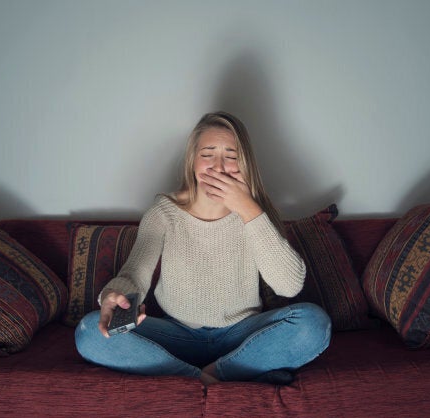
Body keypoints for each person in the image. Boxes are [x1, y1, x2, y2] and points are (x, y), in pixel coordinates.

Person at [75, 111, 331, 386]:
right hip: (177, 334)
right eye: (208, 153)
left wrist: (247, 209)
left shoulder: (254, 214)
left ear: (244, 165)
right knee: (89, 331)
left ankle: (210, 375)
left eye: (231, 156)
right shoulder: (164, 212)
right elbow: (136, 272)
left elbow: (289, 286)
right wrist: (116, 296)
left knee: (315, 324)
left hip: (241, 335)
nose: (219, 166)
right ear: (192, 161)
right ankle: (211, 376)